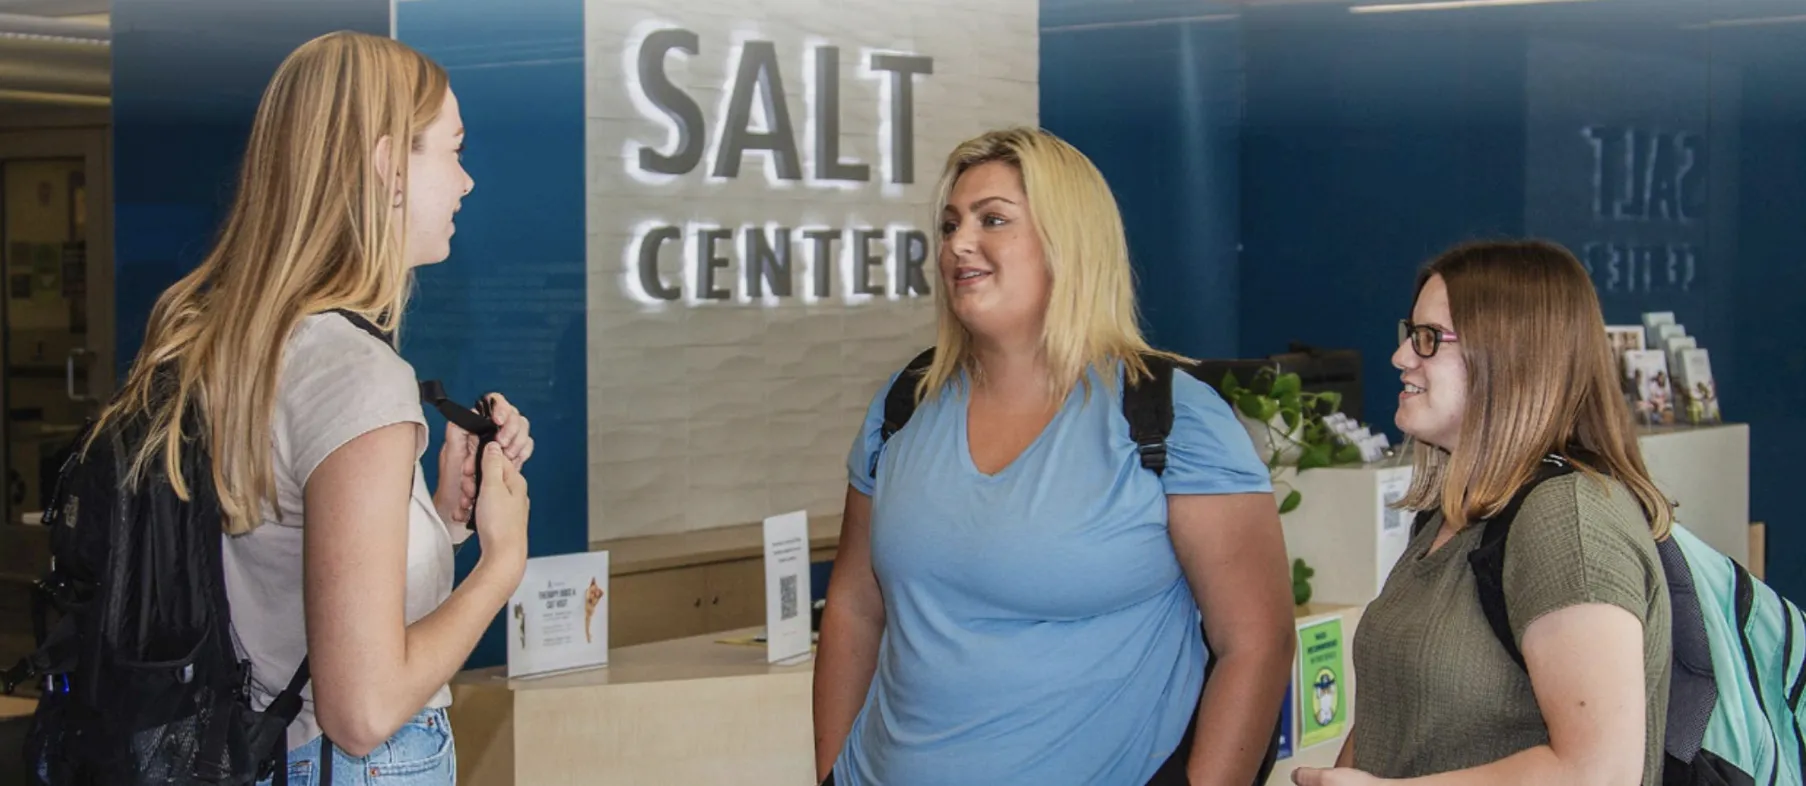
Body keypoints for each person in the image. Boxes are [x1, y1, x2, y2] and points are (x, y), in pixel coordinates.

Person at [91, 31, 534, 783]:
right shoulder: (359, 375)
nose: (465, 183)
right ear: (390, 166)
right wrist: (501, 561)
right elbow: (361, 709)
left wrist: (439, 514)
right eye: (452, 151)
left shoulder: (244, 344)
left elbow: (286, 574)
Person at [812, 127, 1295, 786]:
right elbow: (853, 607)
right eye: (951, 223)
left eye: (993, 220)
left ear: (1068, 244)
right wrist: (832, 771)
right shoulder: (904, 406)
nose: (958, 243)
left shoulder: (1172, 417)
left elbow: (1258, 643)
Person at [1293, 240, 1673, 786]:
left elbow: (1600, 773)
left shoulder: (1568, 520)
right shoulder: (1455, 515)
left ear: (1511, 357)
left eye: (1428, 340)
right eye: (1409, 336)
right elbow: (1395, 721)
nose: (1401, 357)